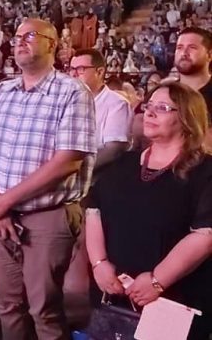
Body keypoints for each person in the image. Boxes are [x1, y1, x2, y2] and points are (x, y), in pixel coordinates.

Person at [0, 18, 96, 340]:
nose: (20, 42)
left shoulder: (72, 91)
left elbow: (67, 161)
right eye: (16, 37)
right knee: (7, 306)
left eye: (30, 36)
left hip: (46, 216)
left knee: (44, 310)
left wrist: (3, 202)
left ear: (52, 44)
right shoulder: (2, 91)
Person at [85, 82, 212, 340]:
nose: (150, 112)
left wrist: (157, 280)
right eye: (149, 105)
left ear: (187, 118)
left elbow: (205, 235)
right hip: (115, 292)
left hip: (174, 298)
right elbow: (93, 210)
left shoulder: (204, 171)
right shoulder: (125, 163)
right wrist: (99, 263)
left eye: (163, 108)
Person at [69, 49, 132, 171]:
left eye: (80, 69)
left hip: (94, 176)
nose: (73, 74)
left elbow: (113, 150)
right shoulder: (67, 100)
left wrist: (74, 170)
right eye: (71, 69)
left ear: (100, 72)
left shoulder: (116, 104)